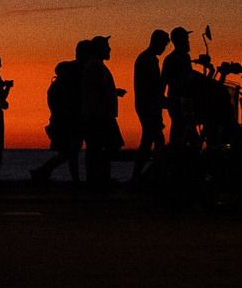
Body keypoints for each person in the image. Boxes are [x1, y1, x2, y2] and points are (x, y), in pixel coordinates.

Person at [28, 50, 82, 185]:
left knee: (69, 153)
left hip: (63, 122)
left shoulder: (57, 87)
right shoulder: (60, 88)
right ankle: (43, 171)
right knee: (70, 153)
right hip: (64, 123)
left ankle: (45, 172)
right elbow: (58, 106)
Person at [77, 35, 124, 186]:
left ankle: (99, 178)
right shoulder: (95, 65)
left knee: (98, 147)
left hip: (97, 113)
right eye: (106, 46)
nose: (109, 49)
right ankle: (98, 178)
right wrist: (109, 98)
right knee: (106, 146)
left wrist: (113, 92)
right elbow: (100, 88)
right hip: (99, 114)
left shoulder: (95, 65)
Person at [131, 30, 167, 177]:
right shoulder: (149, 59)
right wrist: (162, 100)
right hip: (149, 107)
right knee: (152, 141)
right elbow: (151, 86)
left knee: (151, 140)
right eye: (164, 44)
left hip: (146, 105)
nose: (164, 48)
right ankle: (145, 177)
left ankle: (145, 176)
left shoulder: (145, 58)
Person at [161, 27, 196, 157]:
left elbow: (163, 81)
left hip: (175, 101)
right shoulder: (182, 57)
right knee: (182, 132)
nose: (188, 42)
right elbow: (187, 80)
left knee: (182, 131)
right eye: (186, 39)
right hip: (181, 103)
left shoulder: (169, 59)